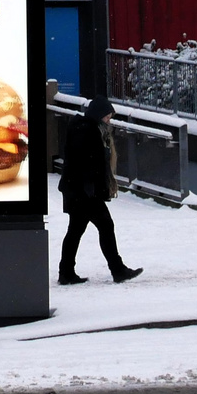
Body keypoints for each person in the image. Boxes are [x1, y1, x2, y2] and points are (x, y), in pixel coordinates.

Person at [58, 96, 142, 285]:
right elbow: (85, 162)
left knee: (75, 230)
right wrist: (91, 187)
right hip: (85, 192)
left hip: (79, 190)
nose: (108, 121)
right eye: (107, 117)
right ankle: (117, 270)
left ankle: (66, 272)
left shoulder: (86, 129)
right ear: (98, 115)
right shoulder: (86, 130)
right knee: (105, 226)